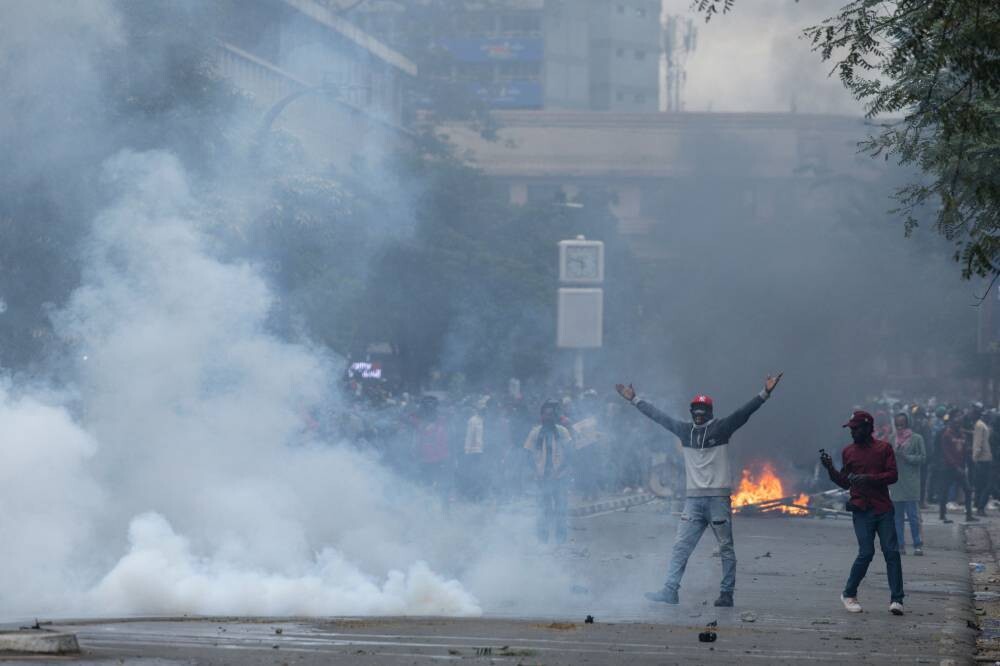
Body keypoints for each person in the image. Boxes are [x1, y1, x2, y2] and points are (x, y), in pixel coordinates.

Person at [615, 373, 783, 608]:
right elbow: (659, 417)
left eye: (703, 408)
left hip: (718, 500)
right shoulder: (685, 431)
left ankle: (726, 594)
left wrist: (764, 393)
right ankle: (670, 591)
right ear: (691, 410)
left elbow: (744, 413)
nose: (699, 412)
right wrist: (634, 400)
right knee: (680, 547)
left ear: (710, 411)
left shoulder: (722, 428)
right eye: (696, 408)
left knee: (725, 548)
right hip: (693, 501)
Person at [820, 410, 904, 615]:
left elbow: (893, 476)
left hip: (882, 508)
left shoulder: (884, 448)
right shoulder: (848, 452)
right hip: (861, 509)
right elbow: (844, 482)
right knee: (866, 552)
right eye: (851, 429)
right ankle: (849, 594)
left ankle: (897, 599)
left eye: (856, 429)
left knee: (891, 552)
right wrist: (830, 469)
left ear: (867, 428)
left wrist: (869, 478)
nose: (852, 432)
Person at [523, 400, 574, 544]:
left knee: (560, 509)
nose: (548, 417)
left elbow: (570, 453)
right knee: (543, 510)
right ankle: (542, 540)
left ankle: (560, 540)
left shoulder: (562, 431)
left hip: (560, 478)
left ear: (555, 416)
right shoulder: (535, 432)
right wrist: (535, 471)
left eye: (551, 414)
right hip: (542, 478)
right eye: (545, 414)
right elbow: (527, 454)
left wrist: (560, 471)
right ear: (541, 416)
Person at [890, 412, 926, 555]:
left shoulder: (917, 439)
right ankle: (900, 545)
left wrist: (906, 457)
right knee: (897, 517)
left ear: (907, 423)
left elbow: (923, 458)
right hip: (896, 483)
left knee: (913, 516)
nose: (899, 426)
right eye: (897, 424)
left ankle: (917, 544)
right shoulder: (892, 439)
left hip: (911, 483)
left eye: (902, 423)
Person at [938, 409, 975, 523]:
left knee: (968, 490)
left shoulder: (963, 435)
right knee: (944, 490)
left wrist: (969, 452)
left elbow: (964, 450)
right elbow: (946, 453)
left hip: (960, 467)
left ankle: (969, 515)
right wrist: (955, 466)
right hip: (949, 468)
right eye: (956, 419)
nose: (958, 421)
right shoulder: (946, 434)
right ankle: (942, 514)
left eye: (960, 419)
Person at [972, 406, 992, 516]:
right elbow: (978, 443)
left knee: (980, 483)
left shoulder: (980, 425)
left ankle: (977, 505)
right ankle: (980, 507)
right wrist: (975, 457)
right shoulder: (981, 425)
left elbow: (978, 443)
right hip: (983, 458)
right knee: (985, 484)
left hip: (982, 458)